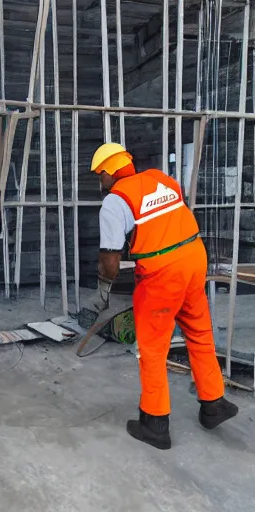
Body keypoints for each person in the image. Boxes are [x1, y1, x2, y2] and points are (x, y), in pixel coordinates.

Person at [90, 142, 238, 450]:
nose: (99, 182)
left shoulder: (115, 202)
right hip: (195, 260)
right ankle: (214, 403)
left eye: (99, 175)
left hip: (162, 274)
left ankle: (155, 423)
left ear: (108, 171)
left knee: (153, 349)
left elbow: (110, 258)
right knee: (199, 334)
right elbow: (169, 219)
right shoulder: (162, 179)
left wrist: (104, 288)